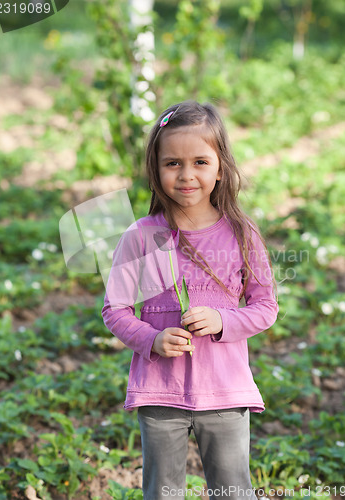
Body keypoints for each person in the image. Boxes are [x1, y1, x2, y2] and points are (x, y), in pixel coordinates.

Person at [102, 100, 278, 499]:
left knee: (232, 490)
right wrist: (150, 339)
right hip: (159, 392)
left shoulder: (241, 233)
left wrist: (223, 321)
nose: (186, 175)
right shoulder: (142, 236)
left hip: (226, 390)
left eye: (200, 161)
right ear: (155, 168)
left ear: (220, 167)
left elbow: (265, 305)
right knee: (163, 492)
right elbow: (115, 309)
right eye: (172, 163)